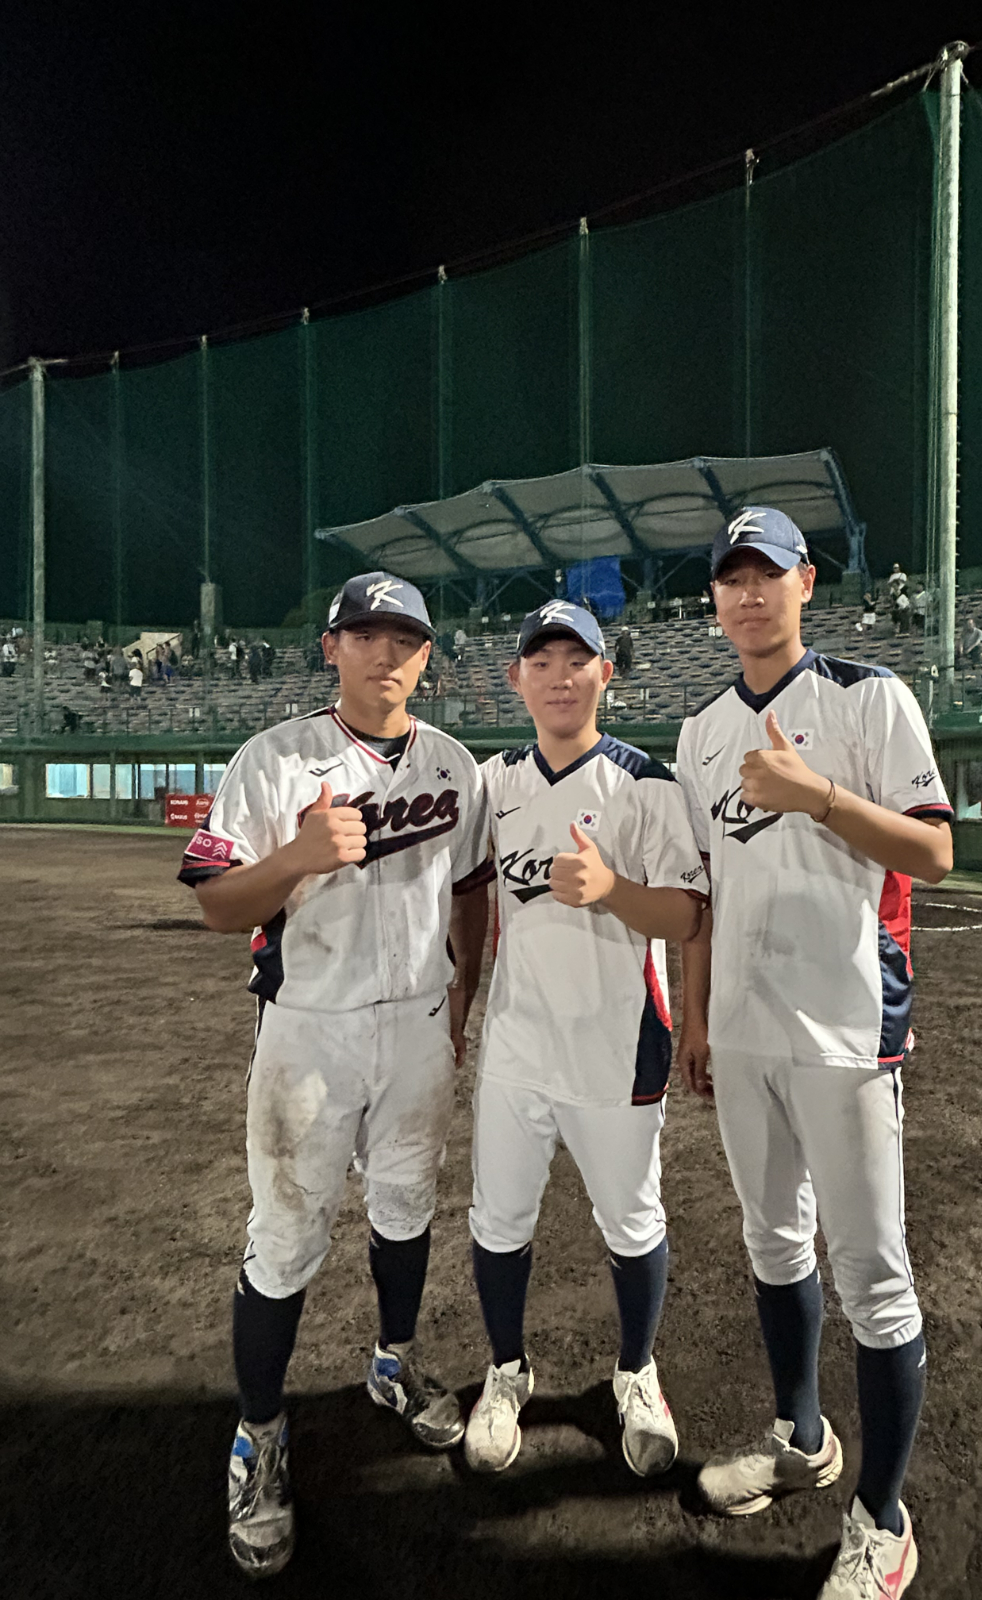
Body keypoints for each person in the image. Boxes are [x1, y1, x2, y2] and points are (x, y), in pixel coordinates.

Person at [178, 571, 493, 1579]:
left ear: (426, 657)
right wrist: (298, 858)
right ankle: (259, 1433)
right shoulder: (272, 760)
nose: (384, 653)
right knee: (284, 1237)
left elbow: (473, 889)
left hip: (417, 1025)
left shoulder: (453, 764)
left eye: (404, 638)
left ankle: (394, 1361)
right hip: (309, 1033)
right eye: (365, 634)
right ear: (332, 648)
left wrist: (462, 994)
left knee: (406, 1204)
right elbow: (217, 905)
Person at [673, 507, 953, 1600]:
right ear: (714, 599)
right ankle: (801, 1438)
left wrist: (821, 797)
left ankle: (884, 1520)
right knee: (772, 1240)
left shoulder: (868, 698)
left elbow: (934, 849)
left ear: (806, 584)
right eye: (730, 577)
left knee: (875, 1276)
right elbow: (703, 891)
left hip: (846, 1026)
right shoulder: (701, 732)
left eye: (768, 573)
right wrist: (697, 1017)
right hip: (745, 1030)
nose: (749, 593)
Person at [464, 600, 706, 1478]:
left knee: (632, 1223)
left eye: (578, 660)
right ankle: (505, 1373)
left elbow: (688, 915)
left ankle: (636, 1372)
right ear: (516, 678)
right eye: (542, 661)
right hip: (517, 1048)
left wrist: (611, 889)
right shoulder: (493, 783)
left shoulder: (646, 782)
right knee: (498, 1221)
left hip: (617, 1046)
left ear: (607, 673)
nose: (559, 677)